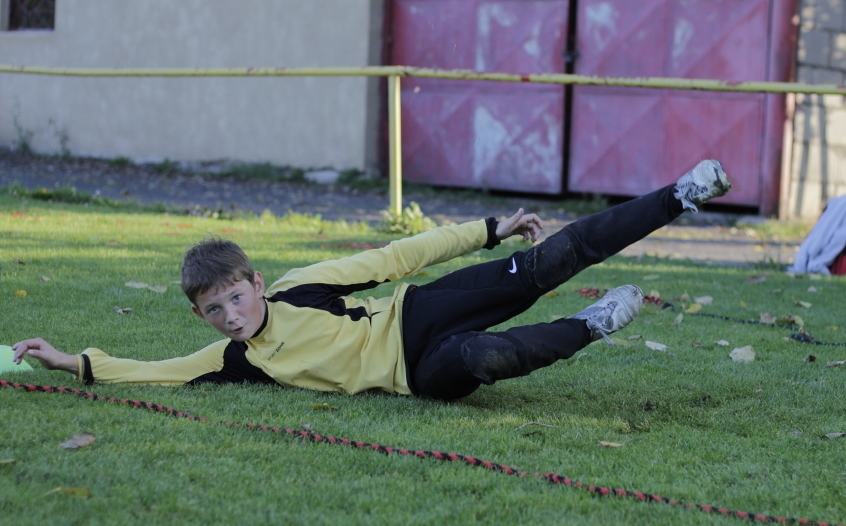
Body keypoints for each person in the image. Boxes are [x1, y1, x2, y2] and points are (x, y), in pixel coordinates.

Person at [13, 161, 730, 400]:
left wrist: (488, 230)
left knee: (551, 261)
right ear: (204, 317)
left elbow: (396, 259)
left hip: (417, 312)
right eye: (215, 310)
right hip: (417, 371)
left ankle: (681, 195)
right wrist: (73, 361)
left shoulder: (301, 286)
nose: (232, 315)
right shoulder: (233, 358)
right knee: (483, 359)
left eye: (236, 295)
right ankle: (591, 325)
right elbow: (160, 371)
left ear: (257, 281)